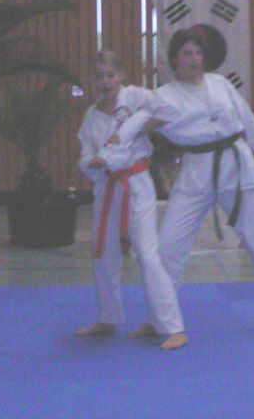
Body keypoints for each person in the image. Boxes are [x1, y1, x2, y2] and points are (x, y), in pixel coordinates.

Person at [113, 27, 254, 337]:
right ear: (174, 59)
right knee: (167, 248)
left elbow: (249, 122)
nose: (194, 59)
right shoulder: (163, 97)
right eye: (187, 53)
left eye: (198, 53)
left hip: (237, 168)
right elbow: (136, 129)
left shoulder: (221, 84)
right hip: (195, 173)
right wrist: (113, 151)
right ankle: (159, 318)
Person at [75, 50, 187, 350]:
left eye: (110, 75)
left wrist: (142, 124)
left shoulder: (136, 97)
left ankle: (173, 326)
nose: (105, 81)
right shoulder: (91, 116)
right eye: (98, 76)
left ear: (121, 75)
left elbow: (172, 111)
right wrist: (94, 164)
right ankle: (109, 317)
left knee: (147, 255)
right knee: (102, 253)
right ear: (92, 80)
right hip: (106, 186)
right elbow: (85, 155)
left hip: (136, 184)